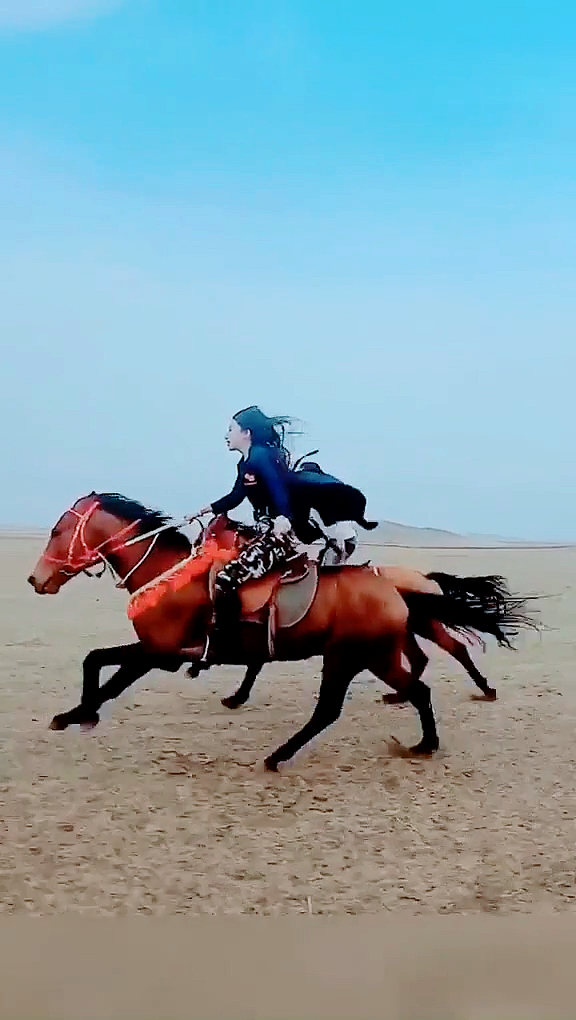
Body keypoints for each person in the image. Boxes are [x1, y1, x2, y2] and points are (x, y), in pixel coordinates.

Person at [190, 406, 302, 662]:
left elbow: (279, 488)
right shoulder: (246, 462)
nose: (226, 435)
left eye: (231, 429)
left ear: (246, 433)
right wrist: (207, 509)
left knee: (227, 578)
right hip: (264, 528)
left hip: (279, 532)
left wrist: (284, 517)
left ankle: (225, 643)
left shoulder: (262, 456)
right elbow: (236, 496)